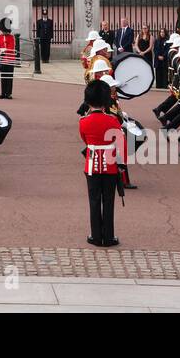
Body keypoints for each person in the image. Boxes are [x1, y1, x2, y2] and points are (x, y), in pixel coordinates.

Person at [78, 80, 123, 247]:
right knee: (109, 201)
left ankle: (96, 236)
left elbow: (85, 140)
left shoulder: (83, 121)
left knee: (94, 201)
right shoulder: (112, 121)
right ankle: (109, 237)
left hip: (91, 165)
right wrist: (121, 163)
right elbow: (121, 143)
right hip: (110, 165)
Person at [0, 19, 18, 100]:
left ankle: (8, 93)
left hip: (9, 59)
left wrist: (4, 50)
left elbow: (11, 48)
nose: (5, 32)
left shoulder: (11, 37)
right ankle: (3, 93)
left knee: (9, 76)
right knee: (3, 76)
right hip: (1, 60)